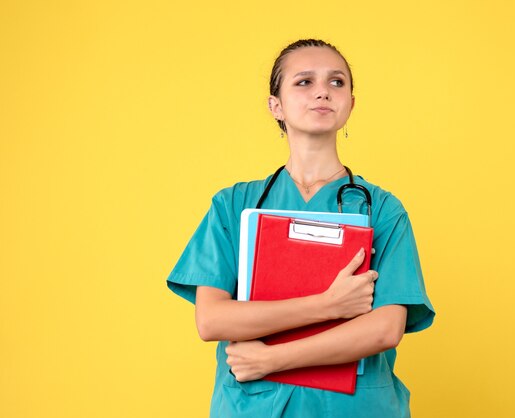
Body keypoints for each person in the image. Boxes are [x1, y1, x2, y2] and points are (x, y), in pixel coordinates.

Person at [167, 39, 435, 418]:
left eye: (337, 82)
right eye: (304, 82)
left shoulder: (383, 211)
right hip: (252, 407)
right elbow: (212, 320)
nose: (323, 91)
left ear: (351, 105)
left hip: (354, 407)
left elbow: (384, 330)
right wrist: (329, 305)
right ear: (275, 105)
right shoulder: (233, 205)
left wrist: (272, 359)